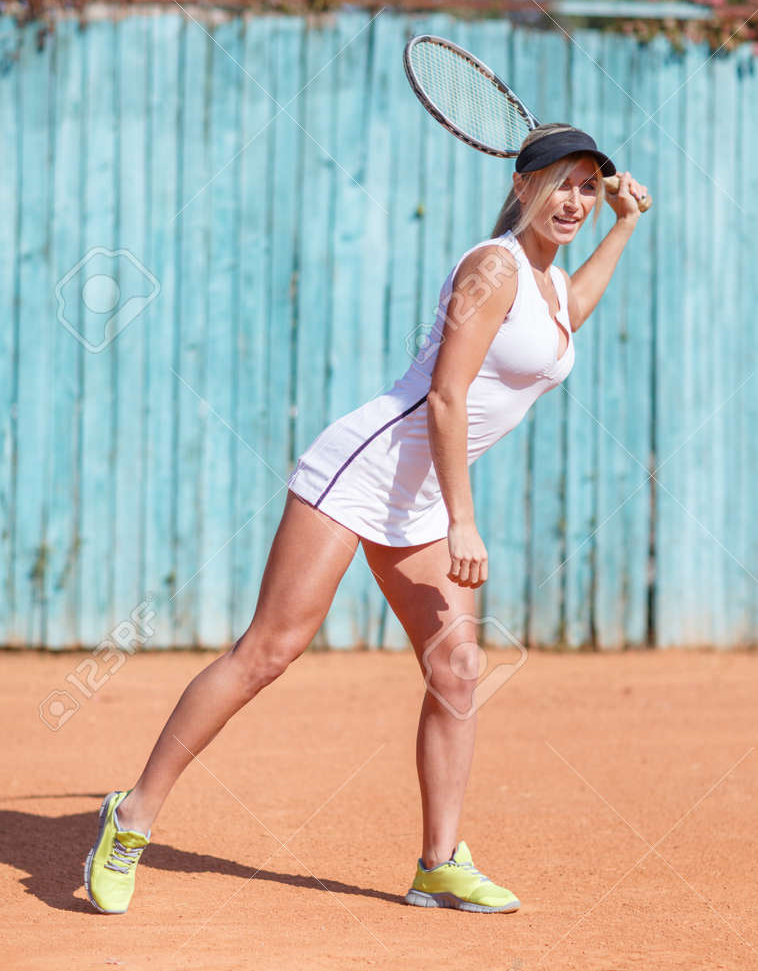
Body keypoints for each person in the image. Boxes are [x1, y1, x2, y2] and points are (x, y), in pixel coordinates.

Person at [84, 122, 648, 916]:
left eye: (589, 185)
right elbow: (447, 395)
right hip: (364, 470)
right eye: (561, 180)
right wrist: (462, 520)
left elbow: (566, 320)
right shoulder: (492, 267)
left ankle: (439, 862)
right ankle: (131, 817)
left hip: (422, 497)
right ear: (520, 185)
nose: (576, 198)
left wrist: (624, 225)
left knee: (456, 670)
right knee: (268, 652)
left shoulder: (548, 282)